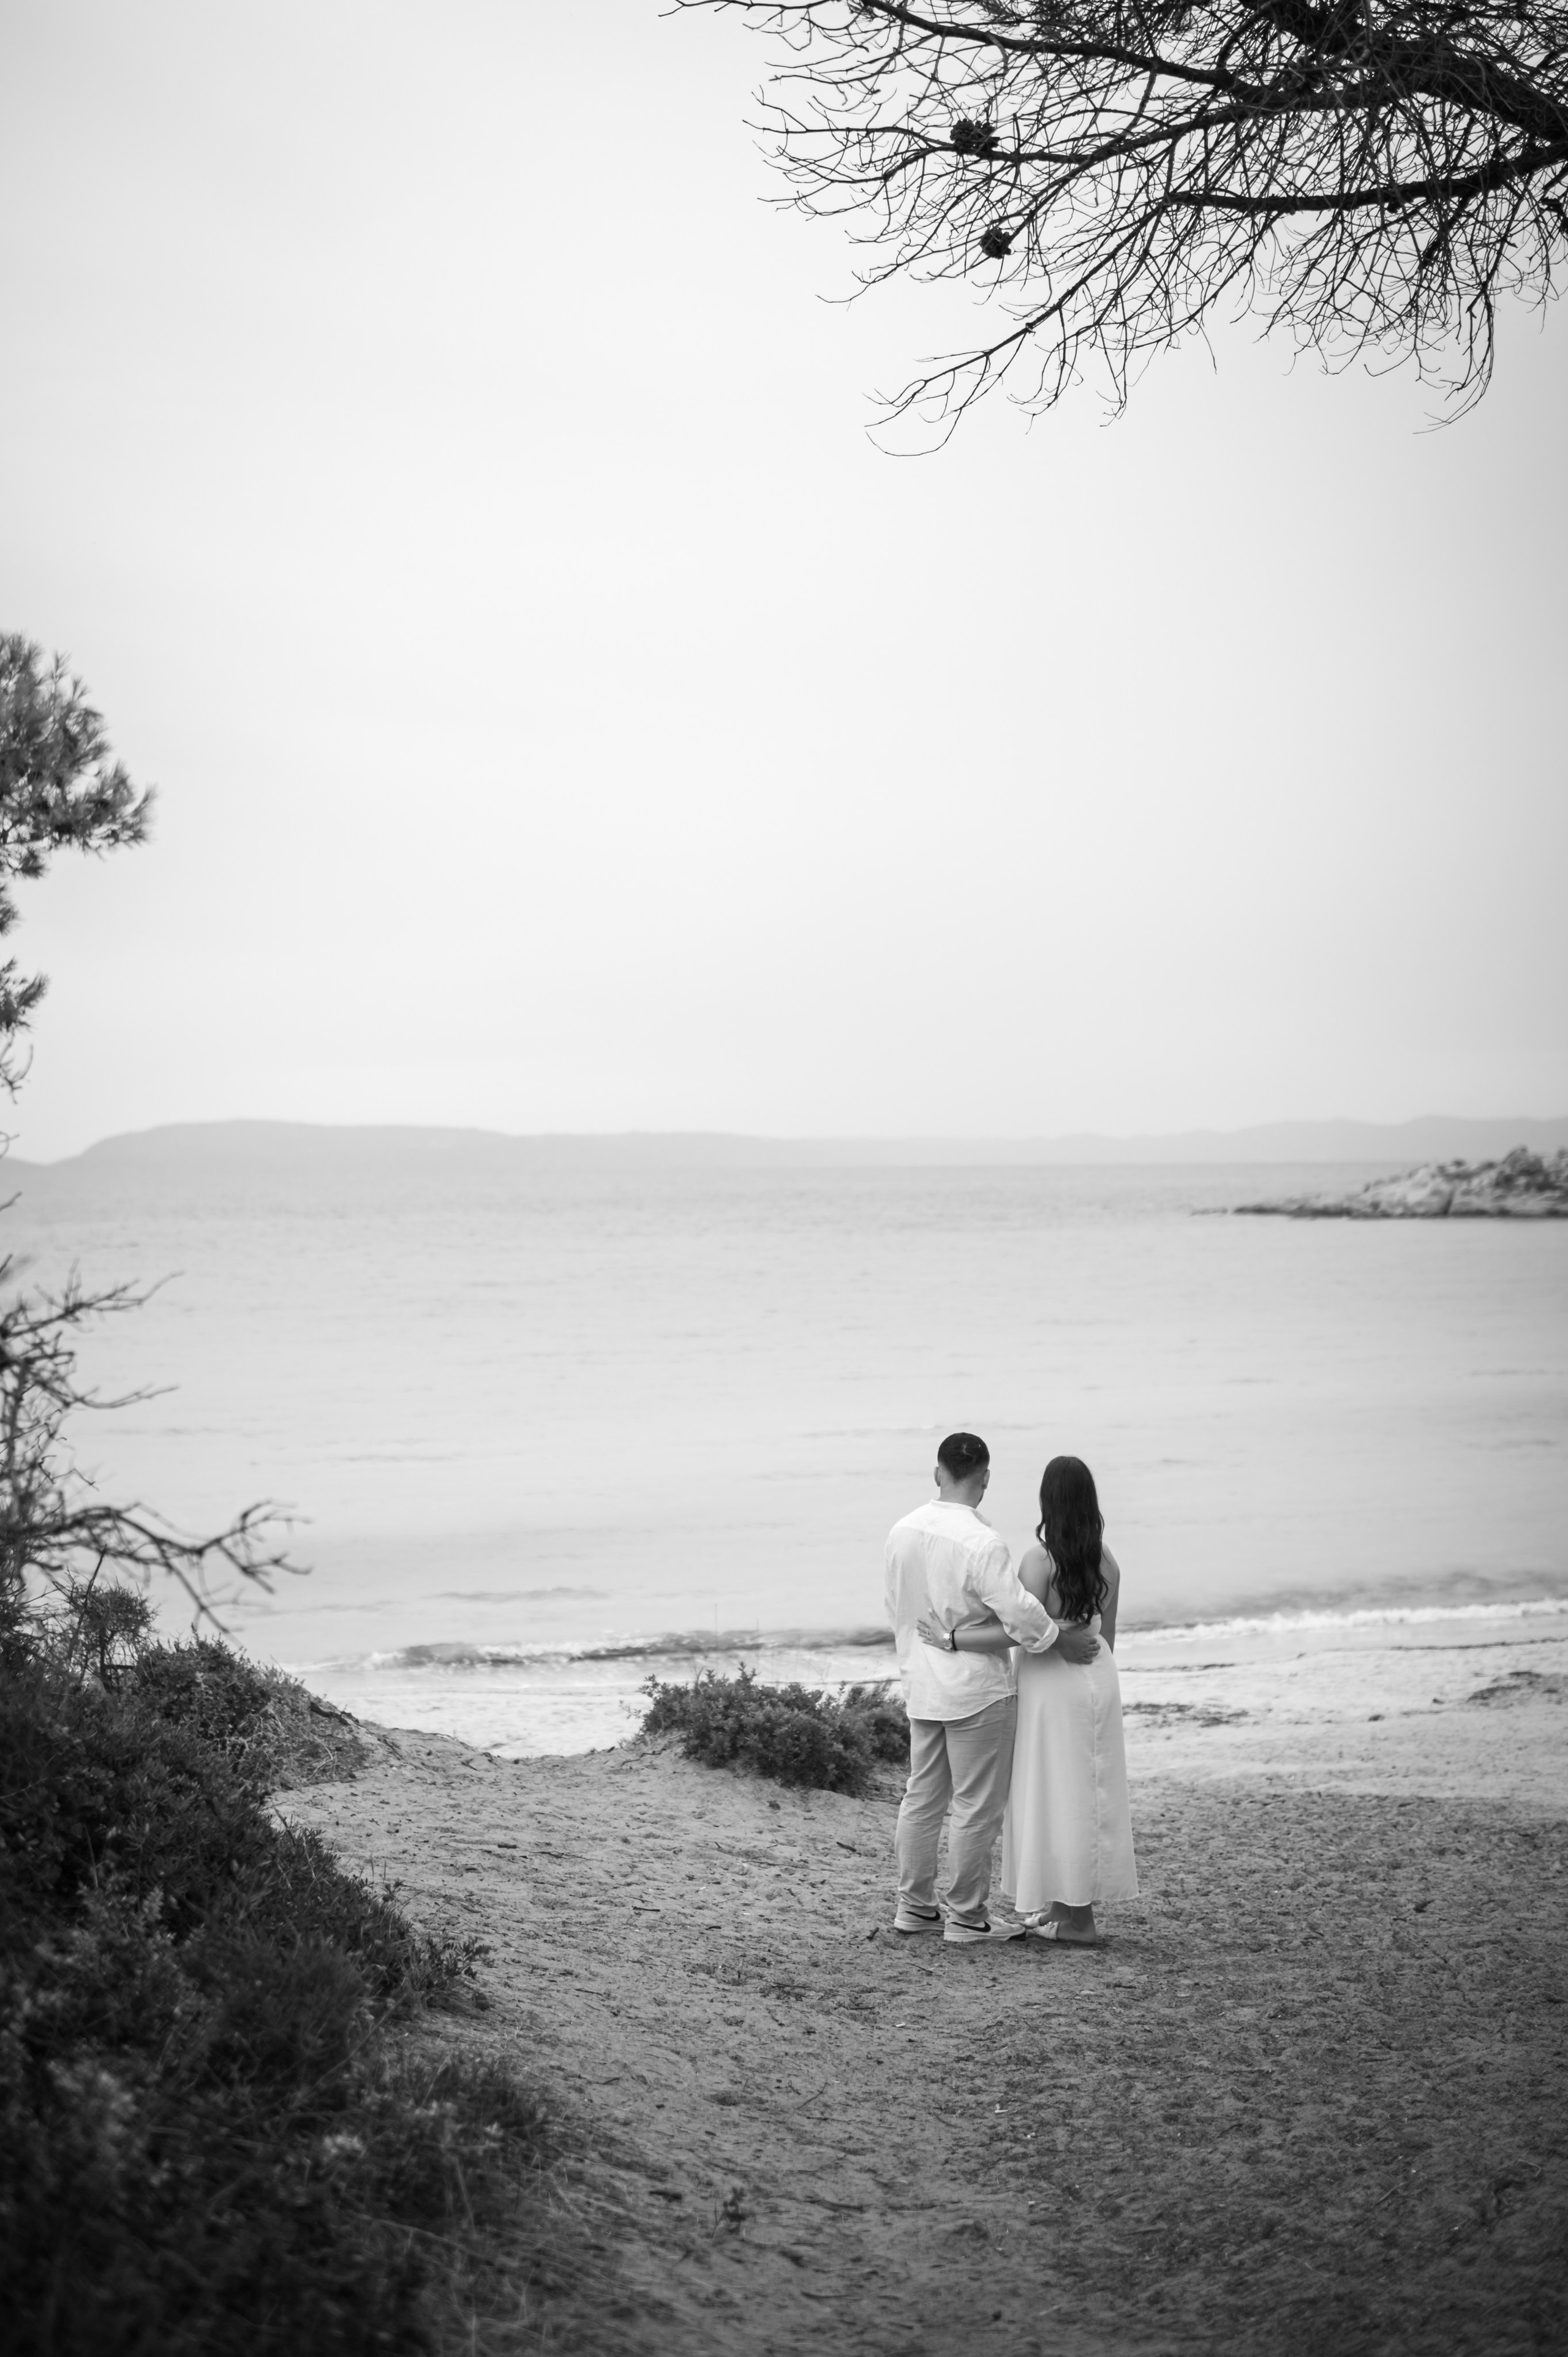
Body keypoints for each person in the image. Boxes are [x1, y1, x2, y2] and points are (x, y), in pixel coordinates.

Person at [885, 1432, 1100, 1947]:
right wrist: (1061, 1640)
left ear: (938, 1473)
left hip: (923, 1685)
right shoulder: (982, 1542)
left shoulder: (902, 1530)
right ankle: (966, 1917)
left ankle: (915, 1907)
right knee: (975, 1807)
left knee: (922, 1798)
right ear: (985, 1478)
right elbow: (1022, 1613)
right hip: (976, 1691)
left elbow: (897, 1607)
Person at [918, 1453, 1137, 1945]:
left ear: (1048, 1500)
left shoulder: (1040, 1561)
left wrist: (951, 1638)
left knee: (1057, 1792)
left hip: (1051, 1684)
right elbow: (1107, 1637)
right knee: (1084, 1791)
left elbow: (1019, 1631)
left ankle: (1079, 1922)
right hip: (1097, 1677)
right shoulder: (1107, 1560)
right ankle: (1062, 1908)